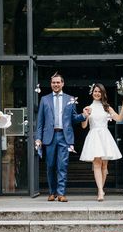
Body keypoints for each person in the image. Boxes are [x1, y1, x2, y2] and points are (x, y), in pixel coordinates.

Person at [35, 72, 88, 202]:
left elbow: (74, 118)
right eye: (54, 82)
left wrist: (83, 115)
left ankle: (61, 193)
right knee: (51, 165)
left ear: (62, 83)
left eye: (58, 82)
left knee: (62, 165)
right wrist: (38, 138)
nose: (56, 84)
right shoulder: (44, 99)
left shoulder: (70, 99)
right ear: (51, 84)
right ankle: (52, 192)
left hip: (65, 137)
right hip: (49, 137)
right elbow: (40, 121)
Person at [79, 83, 123, 201]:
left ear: (102, 94)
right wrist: (85, 115)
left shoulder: (107, 107)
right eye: (95, 91)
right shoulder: (88, 107)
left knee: (104, 165)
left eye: (99, 92)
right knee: (96, 163)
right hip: (94, 135)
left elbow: (119, 119)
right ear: (92, 93)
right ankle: (100, 191)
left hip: (105, 136)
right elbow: (84, 126)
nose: (97, 93)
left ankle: (101, 188)